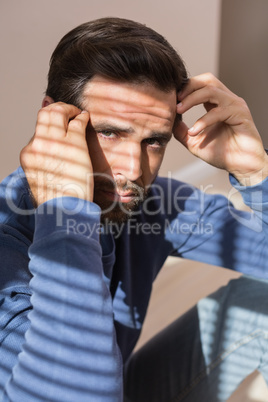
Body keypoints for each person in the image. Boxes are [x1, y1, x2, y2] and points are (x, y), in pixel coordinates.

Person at [0, 16, 268, 402]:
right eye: (109, 132)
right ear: (52, 118)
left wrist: (256, 171)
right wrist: (66, 213)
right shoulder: (8, 237)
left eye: (154, 141)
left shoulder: (151, 204)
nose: (134, 169)